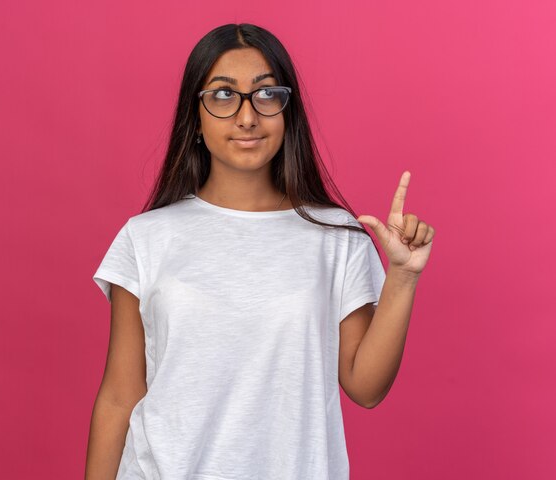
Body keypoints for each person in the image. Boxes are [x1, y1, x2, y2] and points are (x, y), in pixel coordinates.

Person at [85, 23, 434, 480]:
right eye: (224, 96)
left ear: (288, 112)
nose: (247, 117)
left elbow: (365, 387)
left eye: (266, 95)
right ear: (196, 116)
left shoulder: (337, 237)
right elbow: (119, 395)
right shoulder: (146, 237)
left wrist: (403, 277)